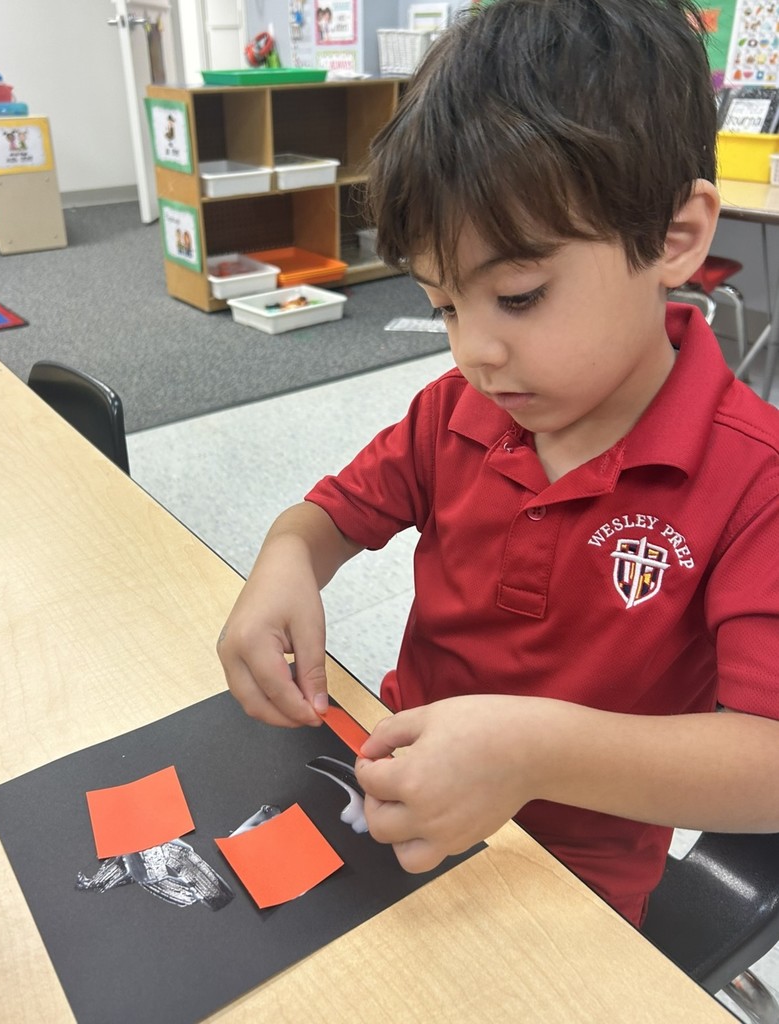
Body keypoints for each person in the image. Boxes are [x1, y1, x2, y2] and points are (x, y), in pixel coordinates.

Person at [216, 0, 779, 926]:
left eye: (516, 297)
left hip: (565, 887)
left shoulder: (751, 480)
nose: (470, 351)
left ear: (675, 240)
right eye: (443, 305)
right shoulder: (458, 413)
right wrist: (284, 561)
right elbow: (327, 518)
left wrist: (535, 751)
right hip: (389, 800)